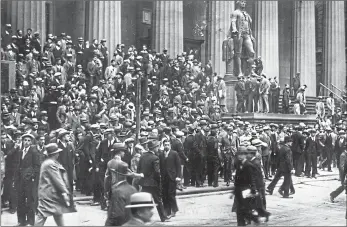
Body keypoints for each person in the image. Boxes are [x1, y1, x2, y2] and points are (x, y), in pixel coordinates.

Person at [35, 143, 76, 226]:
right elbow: (58, 180)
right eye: (57, 152)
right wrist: (65, 192)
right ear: (55, 154)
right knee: (42, 215)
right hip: (49, 194)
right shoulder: (50, 163)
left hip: (49, 193)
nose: (58, 154)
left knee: (58, 213)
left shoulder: (49, 162)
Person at [104, 143, 138, 226]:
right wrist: (140, 175)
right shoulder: (122, 164)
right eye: (123, 151)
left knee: (112, 211)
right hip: (121, 188)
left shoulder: (110, 162)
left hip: (112, 189)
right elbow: (131, 174)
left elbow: (107, 178)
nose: (124, 153)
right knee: (123, 212)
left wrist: (106, 192)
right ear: (119, 152)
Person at [137, 139, 171, 222]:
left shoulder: (142, 156)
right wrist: (159, 182)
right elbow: (157, 172)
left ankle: (139, 217)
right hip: (153, 183)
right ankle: (163, 217)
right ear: (154, 148)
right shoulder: (155, 158)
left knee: (144, 201)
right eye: (157, 147)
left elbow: (138, 169)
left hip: (144, 182)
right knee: (158, 200)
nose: (158, 148)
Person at [16, 133, 40, 226]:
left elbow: (37, 166)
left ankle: (30, 222)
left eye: (29, 140)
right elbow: (18, 165)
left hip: (30, 180)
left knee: (30, 200)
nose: (26, 142)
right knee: (20, 200)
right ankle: (21, 221)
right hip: (20, 179)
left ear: (31, 142)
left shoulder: (34, 152)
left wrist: (32, 176)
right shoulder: (20, 151)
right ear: (22, 141)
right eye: (25, 140)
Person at [159, 139, 181, 217]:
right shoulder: (161, 155)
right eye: (165, 145)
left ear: (170, 145)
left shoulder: (174, 153)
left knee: (171, 194)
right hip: (164, 177)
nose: (166, 146)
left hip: (172, 177)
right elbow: (160, 166)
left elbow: (178, 166)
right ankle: (167, 211)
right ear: (163, 145)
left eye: (168, 145)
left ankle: (174, 210)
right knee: (164, 195)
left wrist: (178, 176)